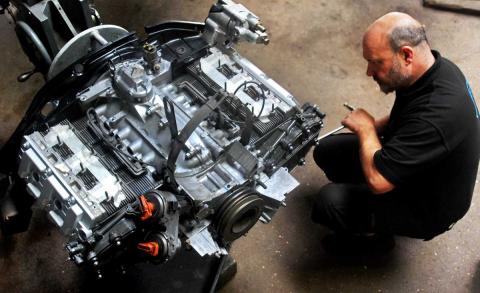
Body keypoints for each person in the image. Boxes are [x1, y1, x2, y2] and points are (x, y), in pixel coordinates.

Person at [311, 12, 480, 252]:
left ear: (407, 55)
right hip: (422, 168)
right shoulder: (436, 70)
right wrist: (376, 127)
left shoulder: (438, 115)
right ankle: (367, 208)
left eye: (376, 62)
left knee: (329, 203)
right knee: (327, 152)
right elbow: (408, 115)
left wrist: (367, 128)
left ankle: (374, 241)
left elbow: (379, 182)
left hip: (430, 207)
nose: (369, 72)